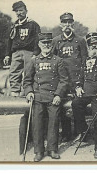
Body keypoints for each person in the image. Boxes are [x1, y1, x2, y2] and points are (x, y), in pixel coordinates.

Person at [23, 33, 69, 162]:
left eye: (49, 43)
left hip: (53, 97)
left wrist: (59, 94)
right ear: (39, 45)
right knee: (37, 124)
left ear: (52, 44)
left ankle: (52, 149)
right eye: (44, 43)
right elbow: (27, 81)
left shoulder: (58, 61)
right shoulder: (34, 61)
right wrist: (29, 92)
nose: (46, 45)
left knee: (53, 123)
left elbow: (64, 80)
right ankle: (38, 151)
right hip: (37, 97)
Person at [72, 32, 97, 159]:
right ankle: (83, 130)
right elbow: (80, 76)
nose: (94, 47)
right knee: (75, 104)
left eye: (96, 44)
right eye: (91, 45)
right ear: (88, 47)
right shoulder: (85, 60)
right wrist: (78, 87)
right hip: (86, 92)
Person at [52, 12, 88, 142]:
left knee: (78, 105)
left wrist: (81, 80)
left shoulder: (80, 40)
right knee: (62, 105)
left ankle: (81, 133)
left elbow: (85, 61)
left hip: (77, 79)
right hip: (62, 80)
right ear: (61, 24)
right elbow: (53, 61)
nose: (67, 25)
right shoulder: (56, 41)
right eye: (64, 22)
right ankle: (66, 133)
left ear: (73, 23)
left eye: (69, 22)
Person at [4, 1, 40, 96]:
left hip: (29, 52)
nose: (19, 13)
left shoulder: (33, 24)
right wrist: (7, 55)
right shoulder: (14, 26)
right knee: (14, 72)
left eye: (21, 10)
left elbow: (37, 40)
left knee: (29, 73)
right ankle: (15, 92)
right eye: (16, 11)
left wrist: (35, 54)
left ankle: (28, 92)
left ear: (26, 11)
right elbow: (10, 41)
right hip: (16, 52)